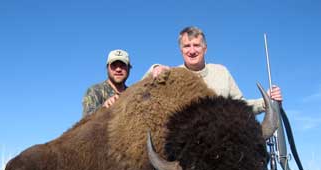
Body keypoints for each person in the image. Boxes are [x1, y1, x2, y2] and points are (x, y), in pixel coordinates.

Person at [144, 26, 282, 114]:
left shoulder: (221, 72)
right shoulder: (171, 75)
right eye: (187, 46)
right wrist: (154, 68)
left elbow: (239, 106)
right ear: (181, 51)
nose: (192, 51)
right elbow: (140, 95)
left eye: (196, 45)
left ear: (205, 49)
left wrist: (266, 102)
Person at [82, 49, 131, 117]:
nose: (118, 69)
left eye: (122, 65)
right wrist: (103, 108)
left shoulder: (132, 94)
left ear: (129, 68)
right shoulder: (94, 91)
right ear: (107, 68)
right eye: (114, 65)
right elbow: (86, 121)